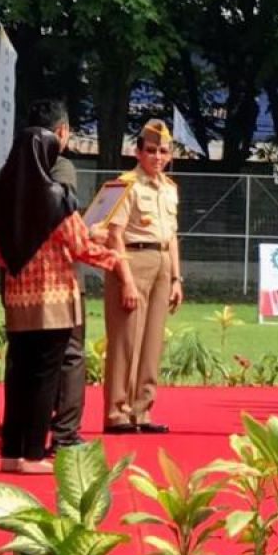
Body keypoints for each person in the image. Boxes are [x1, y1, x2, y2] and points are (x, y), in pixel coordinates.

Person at [0, 124, 137, 472]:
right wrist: (116, 259)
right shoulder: (56, 197)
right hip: (53, 303)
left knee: (20, 377)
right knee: (45, 378)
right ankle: (34, 456)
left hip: (17, 301)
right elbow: (81, 247)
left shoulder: (4, 201)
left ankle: (11, 453)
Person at [103, 120, 183, 434]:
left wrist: (177, 278)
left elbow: (173, 236)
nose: (157, 156)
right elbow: (114, 235)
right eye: (150, 150)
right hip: (133, 258)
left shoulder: (170, 188)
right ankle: (117, 412)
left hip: (162, 260)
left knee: (151, 342)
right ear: (137, 151)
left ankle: (142, 410)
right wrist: (126, 280)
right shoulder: (125, 185)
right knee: (126, 340)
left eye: (163, 151)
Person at [17, 100, 88, 453]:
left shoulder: (11, 170)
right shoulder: (61, 167)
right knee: (69, 354)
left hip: (17, 282)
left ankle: (25, 440)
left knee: (25, 361)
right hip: (58, 280)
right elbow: (70, 228)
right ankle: (65, 434)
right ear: (61, 132)